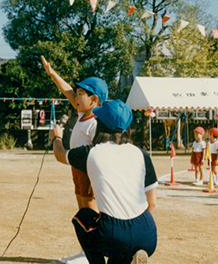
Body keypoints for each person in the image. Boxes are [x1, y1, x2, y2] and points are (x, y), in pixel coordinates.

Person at [50, 100, 158, 264]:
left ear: (99, 123)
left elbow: (60, 154)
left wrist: (57, 137)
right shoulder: (141, 154)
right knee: (119, 252)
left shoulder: (90, 153)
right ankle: (131, 255)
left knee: (83, 217)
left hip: (113, 232)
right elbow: (152, 203)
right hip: (147, 233)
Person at [42, 55, 108, 263]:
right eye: (76, 93)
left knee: (90, 210)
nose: (75, 97)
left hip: (89, 171)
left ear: (94, 100)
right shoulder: (82, 114)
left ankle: (92, 254)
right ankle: (85, 251)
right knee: (82, 209)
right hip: (76, 167)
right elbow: (66, 89)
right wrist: (52, 74)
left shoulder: (95, 121)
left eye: (81, 94)